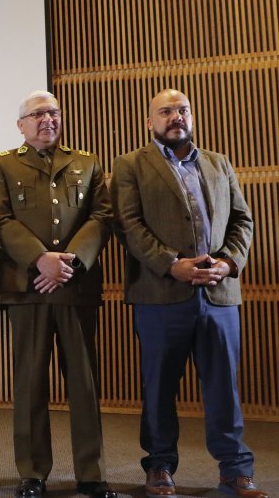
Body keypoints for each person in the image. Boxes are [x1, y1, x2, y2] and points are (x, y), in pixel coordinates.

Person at [111, 89, 266, 498]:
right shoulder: (129, 165)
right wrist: (171, 263)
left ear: (192, 117)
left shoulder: (218, 163)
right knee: (159, 386)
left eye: (182, 110)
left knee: (224, 387)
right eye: (165, 111)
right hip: (161, 295)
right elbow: (129, 225)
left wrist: (229, 263)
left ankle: (236, 470)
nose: (175, 116)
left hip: (219, 293)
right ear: (149, 122)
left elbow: (243, 220)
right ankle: (160, 466)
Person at [0, 91, 115, 498]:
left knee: (84, 382)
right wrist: (40, 260)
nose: (48, 119)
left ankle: (91, 473)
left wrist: (69, 262)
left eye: (54, 113)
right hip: (27, 288)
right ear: (21, 124)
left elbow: (102, 215)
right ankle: (33, 472)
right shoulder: (1, 163)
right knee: (29, 382)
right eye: (38, 114)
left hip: (75, 285)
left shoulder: (86, 161)